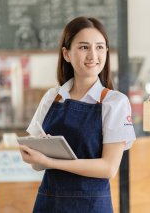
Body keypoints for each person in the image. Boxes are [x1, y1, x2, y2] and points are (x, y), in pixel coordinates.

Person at [19, 16, 136, 213]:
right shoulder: (52, 97)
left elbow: (108, 168)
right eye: (83, 47)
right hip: (49, 203)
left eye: (100, 47)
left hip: (92, 206)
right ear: (66, 53)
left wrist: (50, 161)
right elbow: (36, 164)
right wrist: (33, 157)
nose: (93, 55)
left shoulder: (115, 103)